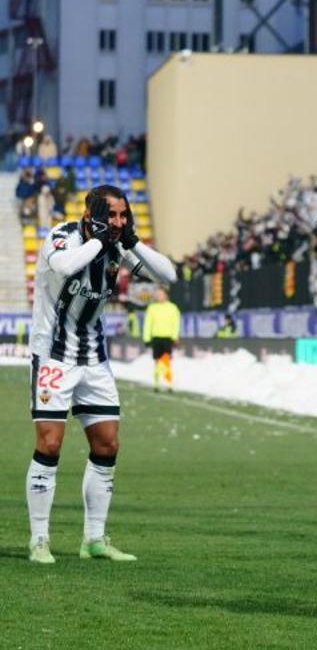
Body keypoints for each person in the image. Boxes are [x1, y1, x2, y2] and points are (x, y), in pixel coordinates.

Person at [26, 185, 177, 564]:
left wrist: (133, 242)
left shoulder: (118, 245)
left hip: (94, 358)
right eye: (112, 215)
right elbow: (64, 266)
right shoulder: (63, 236)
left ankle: (94, 539)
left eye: (124, 215)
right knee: (50, 445)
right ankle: (39, 539)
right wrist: (99, 240)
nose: (119, 222)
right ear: (92, 212)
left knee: (107, 444)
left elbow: (168, 275)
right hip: (54, 358)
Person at [142, 287, 181, 391]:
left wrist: (175, 336)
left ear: (166, 295)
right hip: (156, 337)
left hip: (167, 337)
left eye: (161, 294)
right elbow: (148, 323)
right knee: (157, 361)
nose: (158, 296)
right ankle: (156, 383)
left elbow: (176, 323)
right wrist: (146, 338)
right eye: (157, 294)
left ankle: (169, 383)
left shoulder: (173, 308)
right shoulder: (152, 308)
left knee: (166, 360)